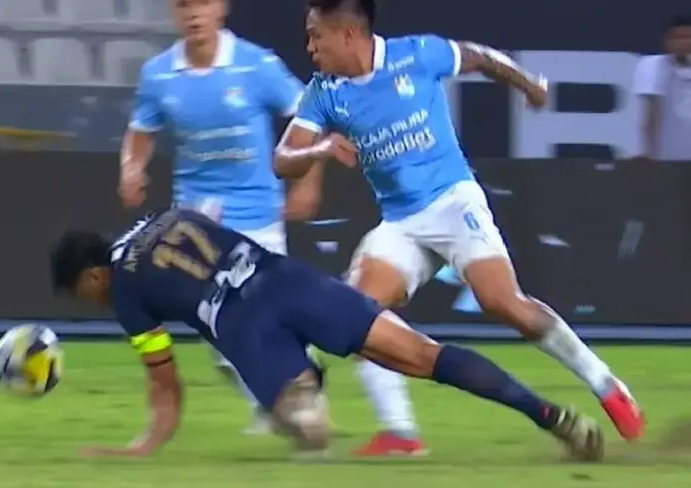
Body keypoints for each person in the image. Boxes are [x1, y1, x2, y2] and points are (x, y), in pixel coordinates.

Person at [274, 0, 644, 445]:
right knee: (355, 319)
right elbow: (283, 158)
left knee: (502, 301)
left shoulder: (416, 55)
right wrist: (318, 150)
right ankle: (402, 434)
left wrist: (528, 84)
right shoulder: (324, 92)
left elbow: (478, 56)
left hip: (452, 202)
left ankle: (606, 384)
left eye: (316, 36)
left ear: (348, 33)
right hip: (401, 223)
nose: (310, 47)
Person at [49, 208, 604, 461]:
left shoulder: (125, 291)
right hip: (290, 282)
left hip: (247, 330)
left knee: (309, 434)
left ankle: (303, 388)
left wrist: (142, 447)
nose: (93, 301)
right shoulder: (167, 216)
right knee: (423, 355)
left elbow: (166, 387)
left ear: (93, 275)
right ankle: (552, 416)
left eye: (84, 293)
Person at [117, 0, 322, 434]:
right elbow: (140, 132)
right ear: (174, 13)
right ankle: (279, 398)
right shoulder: (158, 74)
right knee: (219, 336)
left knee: (261, 315)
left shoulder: (257, 65)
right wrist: (131, 169)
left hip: (257, 212)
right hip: (195, 224)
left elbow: (309, 115)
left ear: (221, 8)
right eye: (184, 5)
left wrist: (307, 183)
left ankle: (291, 387)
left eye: (203, 3)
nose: (194, 13)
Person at [634, 14, 691, 161]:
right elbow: (652, 111)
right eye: (677, 37)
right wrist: (650, 152)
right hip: (667, 157)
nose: (683, 42)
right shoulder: (651, 65)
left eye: (688, 37)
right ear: (666, 41)